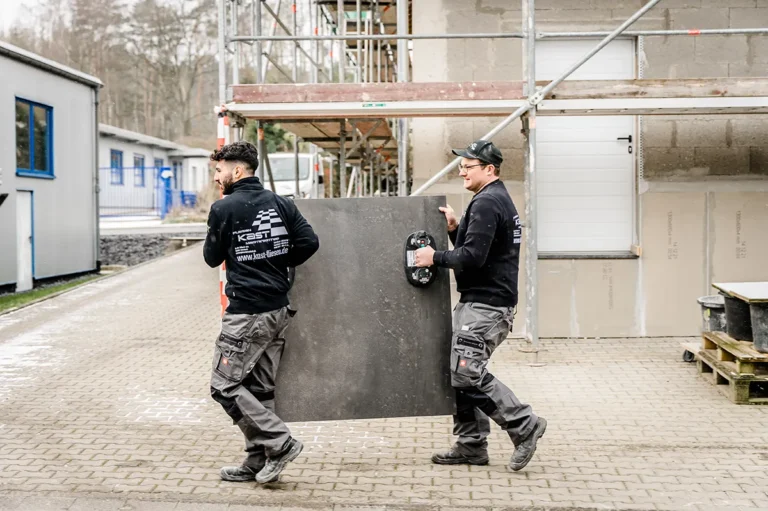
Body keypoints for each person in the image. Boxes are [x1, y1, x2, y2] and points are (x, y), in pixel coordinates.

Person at [414, 139, 546, 471]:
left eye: (467, 166)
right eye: (460, 166)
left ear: (489, 169)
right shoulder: (492, 199)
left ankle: (523, 424)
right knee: (459, 372)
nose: (461, 172)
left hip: (486, 307)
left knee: (467, 373)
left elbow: (472, 259)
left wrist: (434, 257)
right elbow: (481, 252)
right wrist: (457, 230)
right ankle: (471, 444)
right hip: (483, 303)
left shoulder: (488, 202)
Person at [203, 140, 320, 484]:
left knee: (223, 386)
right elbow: (309, 242)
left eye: (219, 170)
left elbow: (211, 258)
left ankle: (279, 443)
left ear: (236, 171)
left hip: (248, 313)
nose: (216, 177)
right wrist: (277, 262)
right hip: (278, 310)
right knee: (259, 389)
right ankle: (257, 461)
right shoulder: (280, 203)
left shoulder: (224, 209)